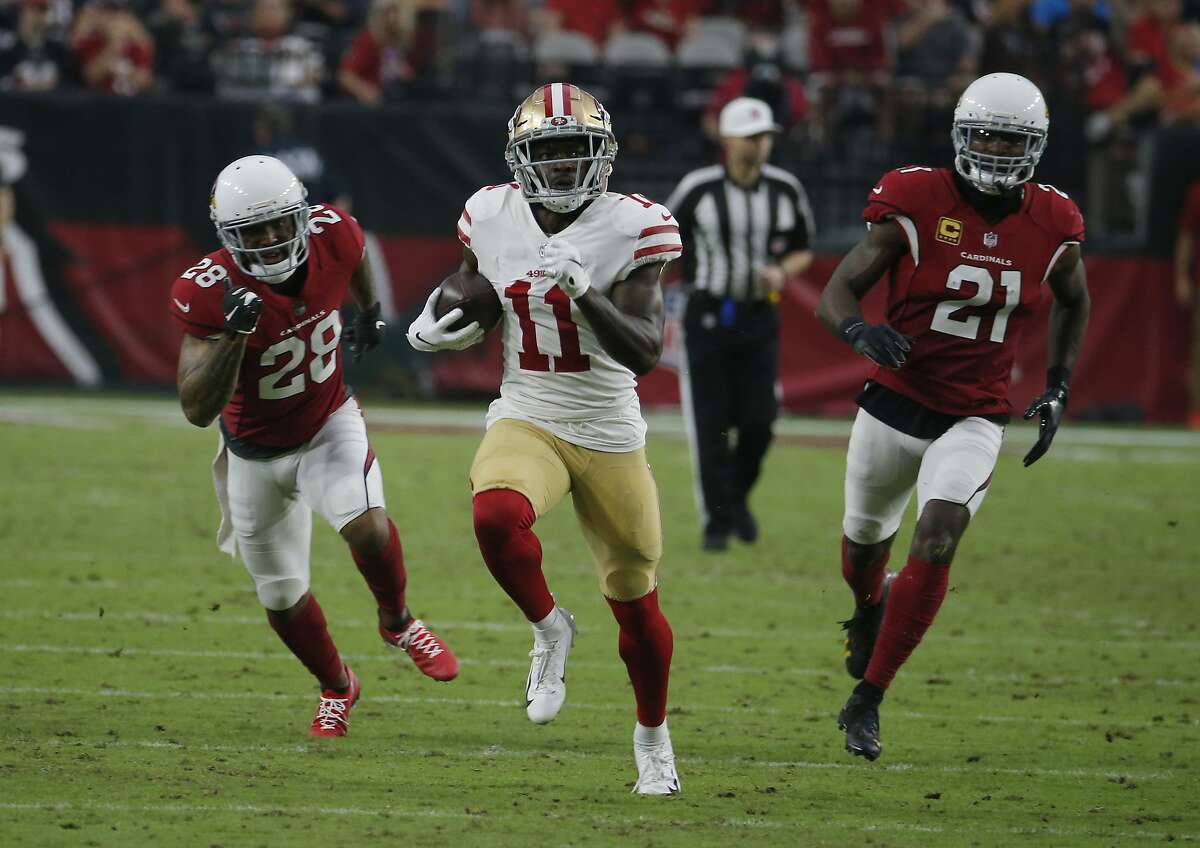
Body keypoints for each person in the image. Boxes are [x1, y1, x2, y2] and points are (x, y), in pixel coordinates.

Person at [406, 83, 684, 795]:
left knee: (635, 598)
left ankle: (652, 737)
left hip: (608, 428)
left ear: (603, 155)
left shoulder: (635, 228)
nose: (561, 165)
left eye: (574, 150)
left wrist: (587, 290)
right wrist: (437, 315)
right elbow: (473, 282)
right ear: (521, 157)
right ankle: (549, 627)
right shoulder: (490, 213)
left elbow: (647, 352)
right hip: (528, 411)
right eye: (548, 151)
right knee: (495, 512)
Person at [815, 73, 1091, 761]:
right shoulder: (915, 197)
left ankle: (868, 700)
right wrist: (858, 333)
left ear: (1037, 146)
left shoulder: (1054, 221)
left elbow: (1074, 299)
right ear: (964, 135)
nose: (998, 149)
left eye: (1013, 138)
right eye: (988, 134)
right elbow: (839, 289)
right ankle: (868, 606)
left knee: (938, 536)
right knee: (863, 547)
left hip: (973, 415)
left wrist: (1058, 385)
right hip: (893, 403)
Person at [170, 155, 458, 738]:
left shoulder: (334, 233)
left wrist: (371, 312)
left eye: (281, 223)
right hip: (253, 453)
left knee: (368, 525)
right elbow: (197, 409)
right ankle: (337, 686)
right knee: (281, 598)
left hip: (328, 421)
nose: (273, 239)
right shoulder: (207, 292)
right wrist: (235, 334)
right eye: (256, 230)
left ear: (301, 215)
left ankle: (398, 620)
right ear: (230, 237)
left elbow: (354, 263)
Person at [667, 97, 814, 552]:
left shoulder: (785, 188)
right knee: (712, 425)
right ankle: (717, 523)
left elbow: (802, 246)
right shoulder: (699, 187)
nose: (760, 145)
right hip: (708, 315)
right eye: (751, 137)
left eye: (765, 136)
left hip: (757, 315)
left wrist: (783, 272)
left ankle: (735, 498)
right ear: (728, 140)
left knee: (760, 421)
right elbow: (662, 236)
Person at [1174, 180, 1200, 429]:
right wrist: (1182, 275)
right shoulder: (1197, 192)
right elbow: (1187, 234)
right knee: (1198, 353)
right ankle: (1196, 413)